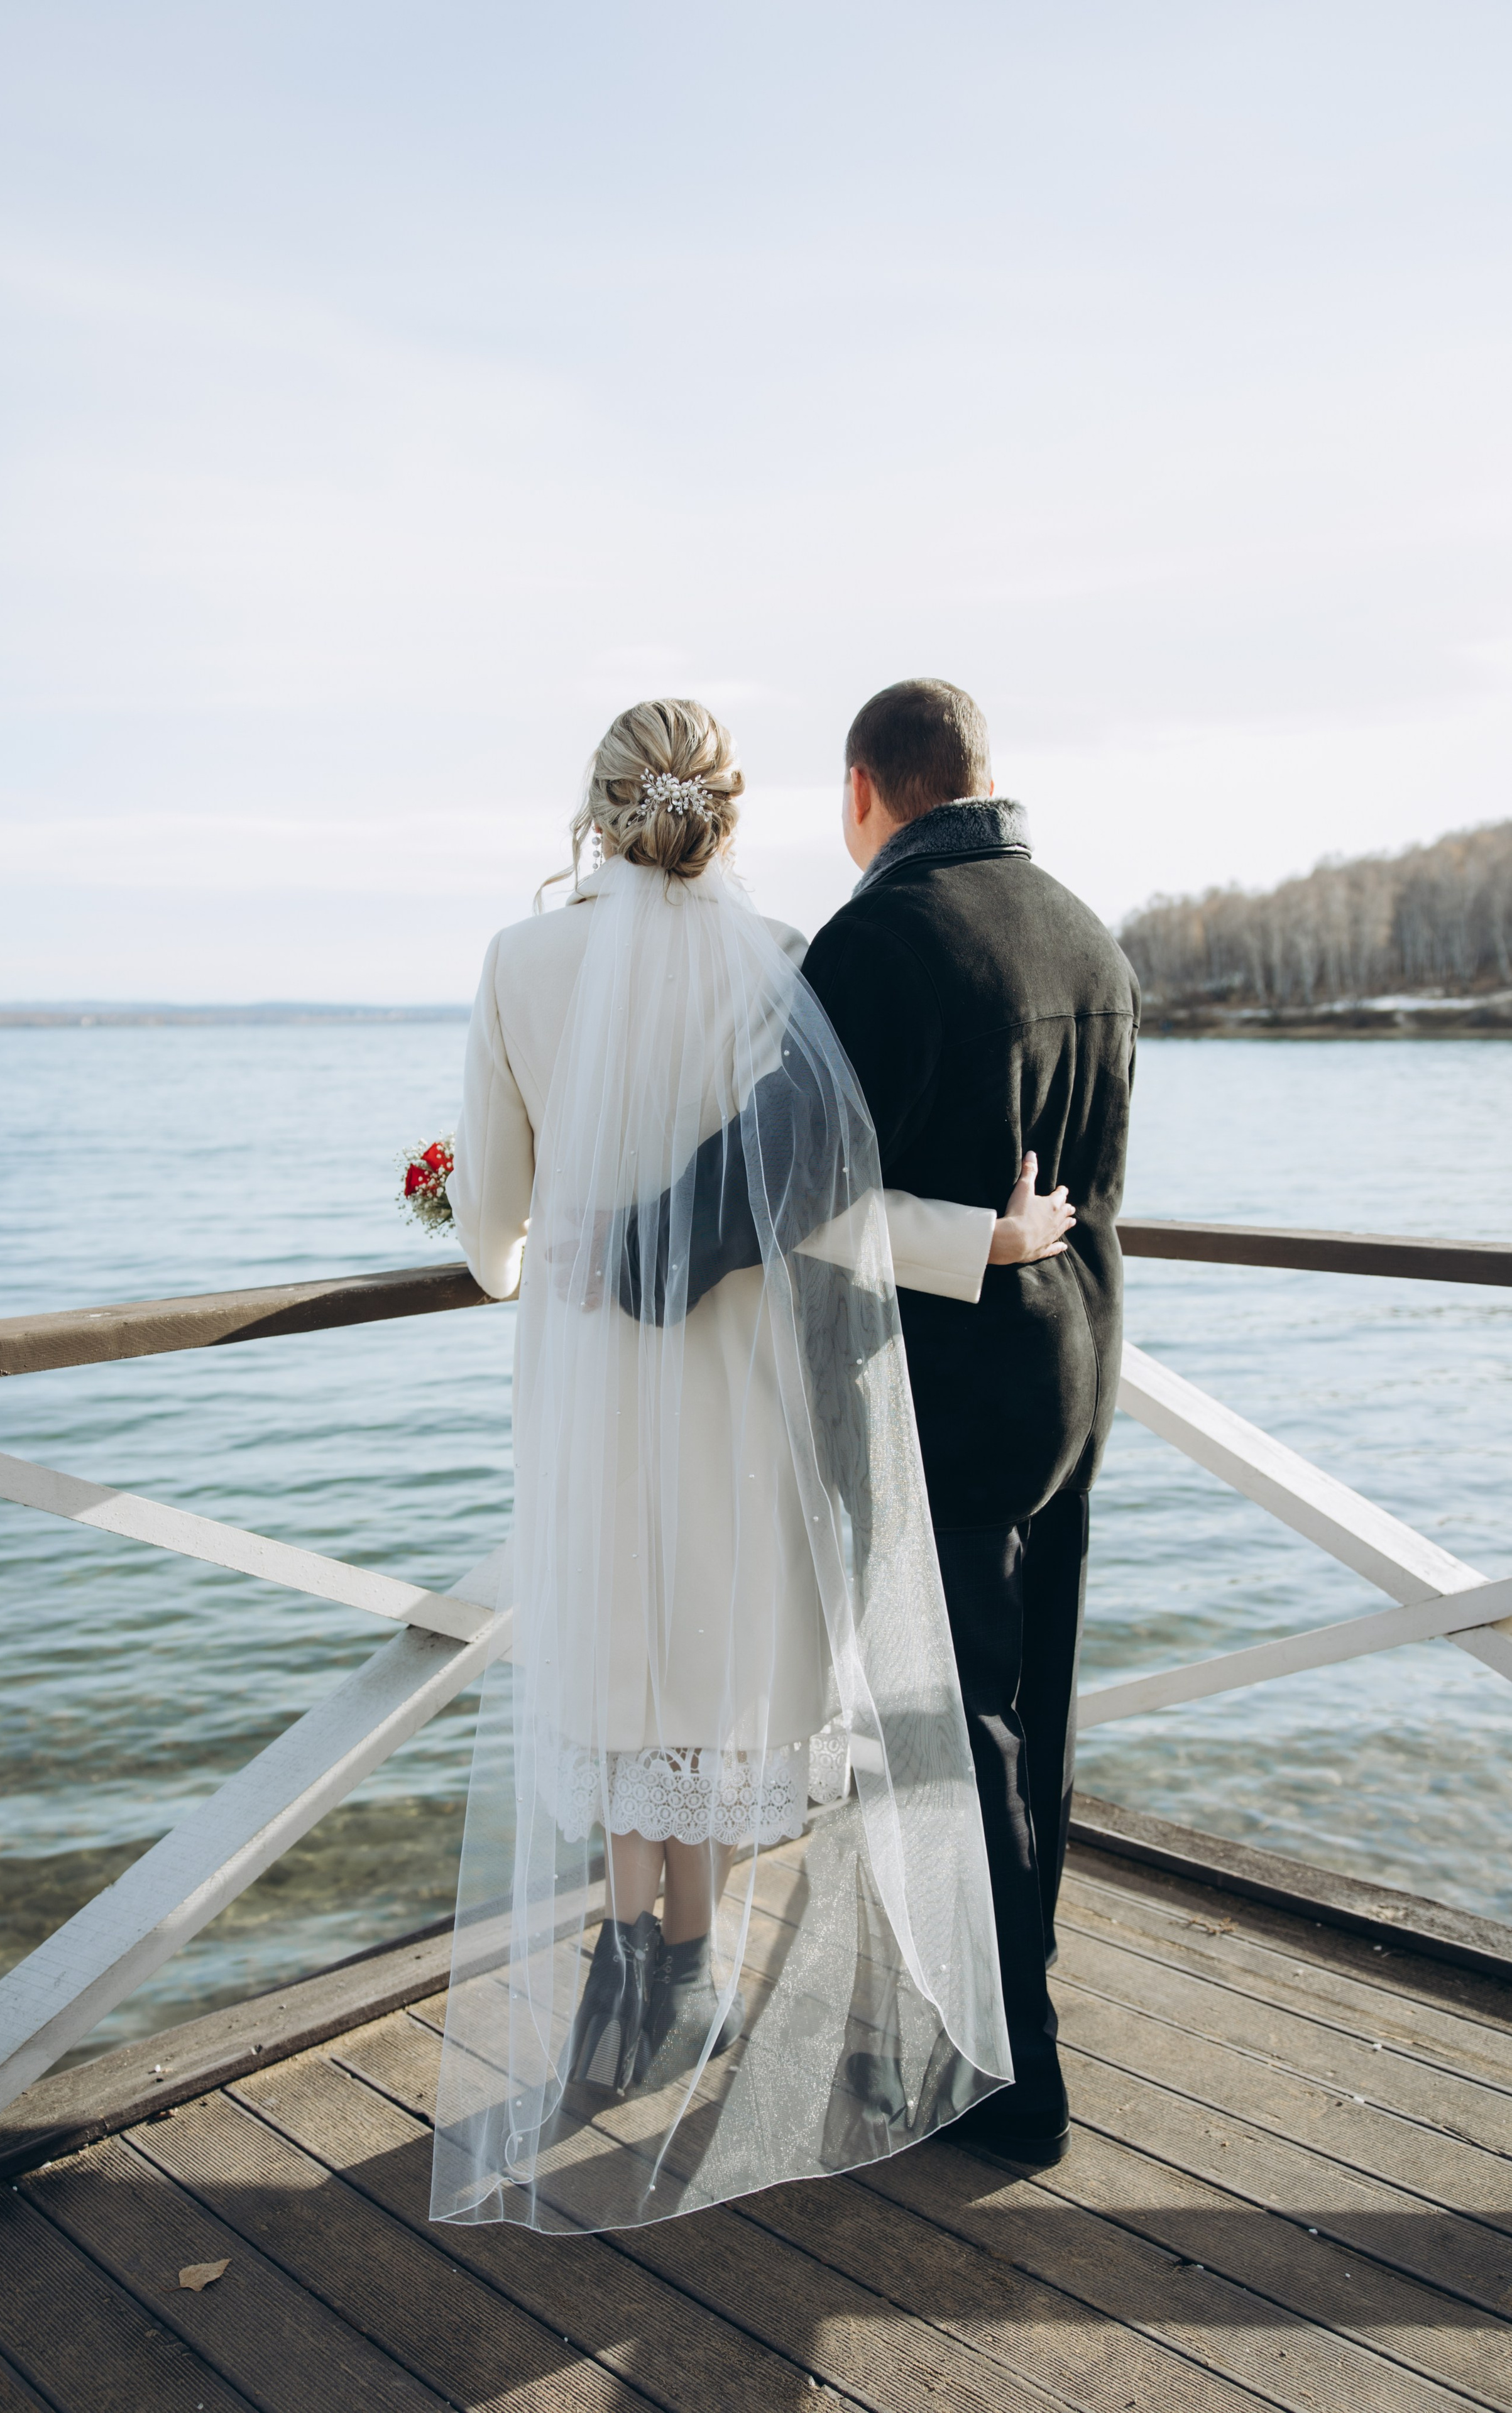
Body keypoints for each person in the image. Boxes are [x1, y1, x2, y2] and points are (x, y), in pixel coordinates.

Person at [429, 698, 1067, 2235]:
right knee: (709, 1666)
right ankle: (693, 1963)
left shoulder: (519, 963)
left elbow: (490, 1237)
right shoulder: (781, 959)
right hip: (737, 1383)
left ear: (599, 810)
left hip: (592, 1383)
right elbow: (819, 1197)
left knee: (620, 1650)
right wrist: (976, 1243)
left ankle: (629, 1964)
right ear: (725, 807)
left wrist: (515, 1237)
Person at [646, 679, 1138, 2164]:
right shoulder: (1085, 934)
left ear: (864, 789)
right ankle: (1004, 1999)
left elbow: (774, 1167)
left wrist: (638, 1254)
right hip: (1076, 1367)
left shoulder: (885, 940)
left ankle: (1006, 2076)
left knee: (952, 1725)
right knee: (1032, 1712)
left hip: (952, 1394)